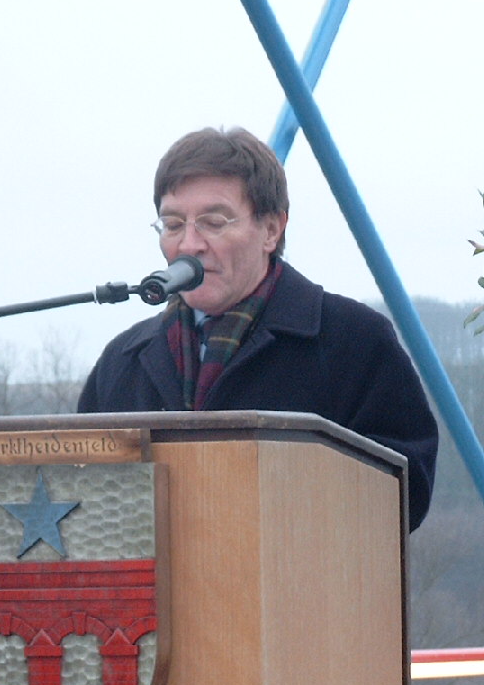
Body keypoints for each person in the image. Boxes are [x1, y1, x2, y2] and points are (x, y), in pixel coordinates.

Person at [76, 127, 439, 530]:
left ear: (271, 230)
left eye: (213, 222)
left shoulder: (354, 341)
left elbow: (406, 492)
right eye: (173, 224)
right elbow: (82, 500)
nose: (189, 245)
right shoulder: (124, 360)